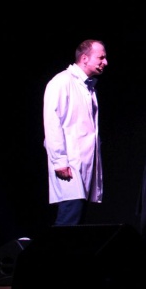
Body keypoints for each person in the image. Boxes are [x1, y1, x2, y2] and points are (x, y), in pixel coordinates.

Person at [43, 39, 108, 225]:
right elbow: (52, 122)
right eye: (101, 57)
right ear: (85, 58)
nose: (105, 62)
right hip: (69, 162)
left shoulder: (88, 87)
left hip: (84, 161)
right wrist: (59, 160)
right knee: (70, 216)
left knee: (77, 218)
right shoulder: (62, 82)